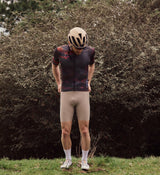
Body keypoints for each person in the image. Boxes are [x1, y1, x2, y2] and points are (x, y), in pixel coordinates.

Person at [52, 27, 95, 170]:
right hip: (66, 92)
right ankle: (68, 159)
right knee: (65, 131)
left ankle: (84, 161)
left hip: (82, 93)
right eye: (77, 48)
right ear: (70, 43)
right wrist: (58, 83)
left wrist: (89, 81)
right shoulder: (60, 51)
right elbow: (54, 66)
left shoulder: (90, 51)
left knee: (84, 130)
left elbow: (92, 65)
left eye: (82, 47)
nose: (80, 50)